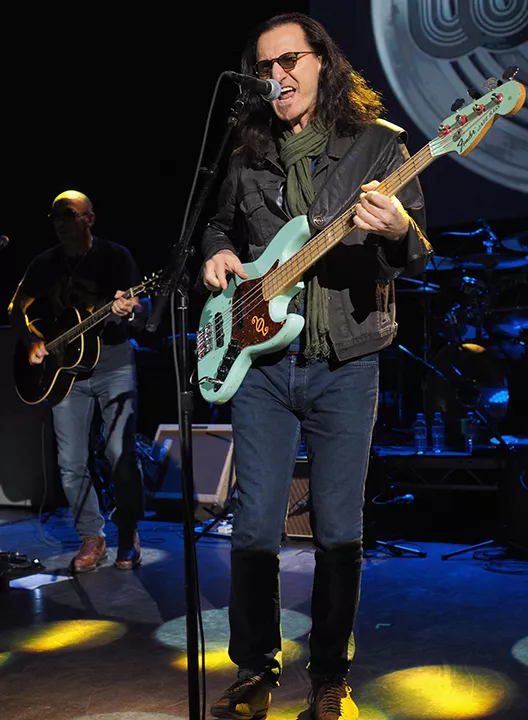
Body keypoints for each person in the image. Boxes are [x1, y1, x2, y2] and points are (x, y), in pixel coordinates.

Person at [200, 12, 432, 720]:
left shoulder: (378, 145)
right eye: (265, 66)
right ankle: (255, 669)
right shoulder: (247, 152)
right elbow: (220, 224)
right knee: (253, 530)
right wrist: (217, 250)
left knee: (337, 532)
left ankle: (330, 676)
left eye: (291, 60)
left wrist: (398, 230)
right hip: (263, 365)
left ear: (324, 63)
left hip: (346, 362)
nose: (278, 76)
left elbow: (416, 251)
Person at [8, 190, 150, 573]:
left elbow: (142, 310)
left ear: (89, 219)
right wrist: (32, 340)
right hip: (65, 375)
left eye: (68, 215)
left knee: (120, 454)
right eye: (55, 216)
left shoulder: (115, 257)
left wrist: (131, 309)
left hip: (113, 364)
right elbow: (16, 307)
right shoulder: (44, 263)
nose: (60, 222)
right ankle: (92, 536)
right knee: (70, 462)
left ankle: (127, 531)